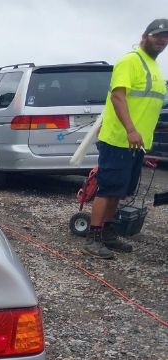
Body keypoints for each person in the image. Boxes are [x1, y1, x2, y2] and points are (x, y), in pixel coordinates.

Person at [83, 19, 168, 259]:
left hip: (136, 143)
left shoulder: (153, 66)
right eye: (157, 35)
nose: (162, 40)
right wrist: (130, 129)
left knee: (120, 190)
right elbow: (118, 97)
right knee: (108, 188)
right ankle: (94, 235)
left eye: (165, 37)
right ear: (145, 36)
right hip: (119, 139)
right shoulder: (130, 60)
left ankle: (108, 232)